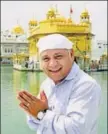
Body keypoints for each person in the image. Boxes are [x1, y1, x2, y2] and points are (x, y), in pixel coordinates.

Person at [17, 34, 101, 134]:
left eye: (58, 56)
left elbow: (77, 130)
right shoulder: (47, 84)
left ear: (71, 54)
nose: (52, 64)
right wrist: (35, 112)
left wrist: (42, 114)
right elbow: (33, 124)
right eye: (46, 59)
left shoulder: (86, 85)